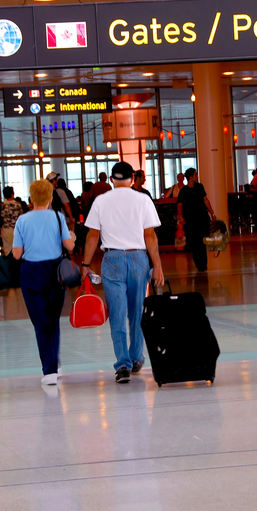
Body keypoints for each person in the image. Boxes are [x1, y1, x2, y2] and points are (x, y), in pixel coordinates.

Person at [81, 162, 165, 384]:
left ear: (111, 179)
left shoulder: (101, 201)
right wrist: (157, 265)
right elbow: (150, 236)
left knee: (117, 314)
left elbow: (92, 236)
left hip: (113, 259)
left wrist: (85, 264)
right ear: (131, 179)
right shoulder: (143, 199)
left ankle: (122, 366)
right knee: (137, 311)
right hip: (138, 259)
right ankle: (136, 357)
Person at [12, 179, 76, 386]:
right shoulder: (58, 217)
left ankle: (48, 370)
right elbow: (70, 247)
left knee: (41, 322)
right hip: (55, 272)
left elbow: (16, 254)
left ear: (31, 199)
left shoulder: (22, 221)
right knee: (53, 320)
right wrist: (72, 237)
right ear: (50, 199)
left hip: (31, 272)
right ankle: (54, 365)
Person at [177, 167, 216, 272]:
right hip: (190, 220)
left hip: (202, 218)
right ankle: (199, 263)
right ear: (190, 177)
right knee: (194, 243)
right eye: (195, 175)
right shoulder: (184, 191)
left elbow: (205, 200)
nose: (197, 176)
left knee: (202, 241)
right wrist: (181, 216)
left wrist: (212, 213)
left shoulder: (200, 187)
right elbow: (180, 205)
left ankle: (203, 265)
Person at [0, 186, 23, 255]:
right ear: (12, 193)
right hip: (15, 228)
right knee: (16, 248)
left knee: (7, 249)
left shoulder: (2, 204)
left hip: (5, 229)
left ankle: (8, 263)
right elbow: (21, 216)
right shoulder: (17, 204)